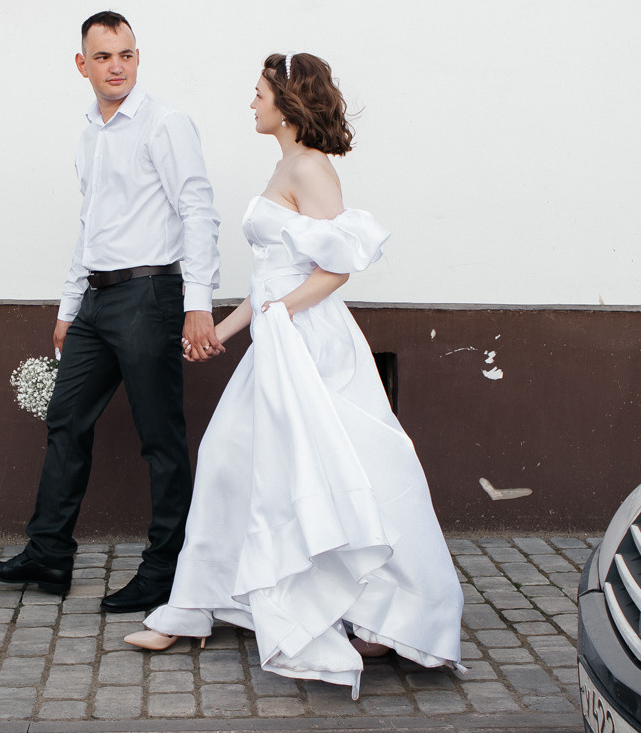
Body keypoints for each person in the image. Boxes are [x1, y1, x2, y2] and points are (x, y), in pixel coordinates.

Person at [124, 52, 464, 697]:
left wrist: (281, 313)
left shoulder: (310, 168)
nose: (251, 104)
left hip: (309, 343)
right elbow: (269, 279)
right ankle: (197, 605)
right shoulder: (283, 165)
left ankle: (394, 613)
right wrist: (218, 333)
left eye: (258, 94)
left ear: (285, 102)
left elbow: (337, 268)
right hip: (279, 334)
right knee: (234, 459)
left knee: (340, 469)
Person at [0, 11, 224, 612]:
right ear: (81, 64)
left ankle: (167, 569)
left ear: (138, 58)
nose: (117, 67)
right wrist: (69, 306)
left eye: (127, 54)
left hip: (150, 296)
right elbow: (90, 226)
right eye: (104, 56)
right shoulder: (90, 133)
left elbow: (198, 212)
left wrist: (197, 304)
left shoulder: (165, 124)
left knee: (160, 438)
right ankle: (49, 553)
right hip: (96, 300)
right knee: (66, 421)